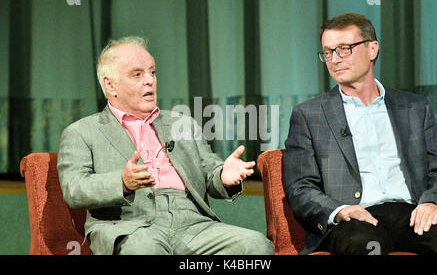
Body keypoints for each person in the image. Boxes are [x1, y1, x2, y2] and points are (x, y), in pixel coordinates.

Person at [57, 36, 274, 255]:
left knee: (254, 245)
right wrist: (122, 182)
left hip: (193, 224)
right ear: (110, 84)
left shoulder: (182, 124)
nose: (149, 80)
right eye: (137, 74)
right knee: (145, 249)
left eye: (152, 72)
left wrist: (223, 177)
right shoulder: (82, 132)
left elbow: (210, 172)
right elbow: (74, 188)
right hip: (131, 226)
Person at [283, 13, 437, 255]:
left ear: (372, 49)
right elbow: (300, 186)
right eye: (328, 52)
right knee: (366, 246)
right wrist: (340, 210)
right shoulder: (309, 115)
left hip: (412, 213)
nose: (334, 60)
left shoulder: (415, 107)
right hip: (356, 218)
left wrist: (433, 202)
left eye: (344, 49)